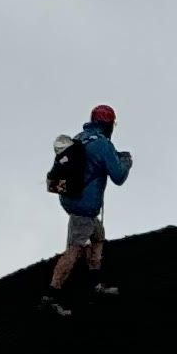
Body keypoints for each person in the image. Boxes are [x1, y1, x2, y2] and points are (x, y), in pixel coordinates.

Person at [43, 104, 132, 315]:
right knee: (74, 249)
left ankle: (95, 282)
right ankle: (51, 296)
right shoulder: (102, 145)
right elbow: (118, 176)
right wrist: (126, 162)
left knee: (98, 235)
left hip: (73, 201)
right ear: (108, 124)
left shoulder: (80, 137)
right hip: (84, 207)